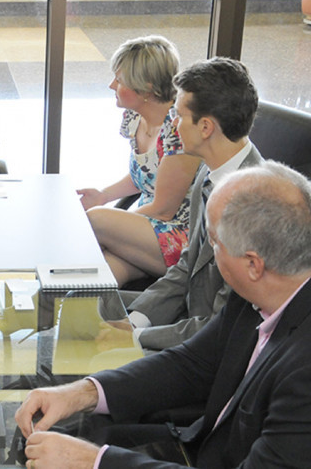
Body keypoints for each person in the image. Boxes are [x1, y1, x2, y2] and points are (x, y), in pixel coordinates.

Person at [15, 162, 311, 468]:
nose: (209, 254)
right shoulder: (280, 276)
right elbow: (193, 363)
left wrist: (92, 462)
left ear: (253, 263)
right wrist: (82, 393)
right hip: (203, 441)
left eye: (213, 244)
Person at [109, 57, 263, 351]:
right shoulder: (210, 168)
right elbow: (187, 265)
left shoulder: (252, 207)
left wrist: (133, 338)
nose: (172, 125)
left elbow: (218, 328)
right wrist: (135, 322)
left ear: (205, 127)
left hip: (205, 348)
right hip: (184, 316)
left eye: (178, 116)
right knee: (75, 305)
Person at [77, 36, 201, 286]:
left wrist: (114, 223)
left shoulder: (178, 129)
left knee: (96, 220)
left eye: (120, 80)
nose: (112, 85)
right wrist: (103, 195)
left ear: (146, 88)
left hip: (180, 235)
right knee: (101, 276)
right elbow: (144, 176)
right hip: (149, 227)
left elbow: (163, 209)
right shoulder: (134, 117)